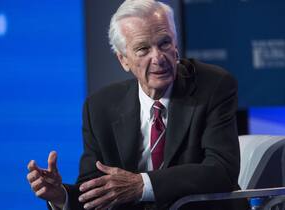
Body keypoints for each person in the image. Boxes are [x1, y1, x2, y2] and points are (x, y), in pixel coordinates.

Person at [27, 0, 248, 209]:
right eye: (143, 49)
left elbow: (221, 171)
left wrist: (142, 185)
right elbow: (95, 191)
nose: (158, 58)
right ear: (123, 60)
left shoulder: (213, 86)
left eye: (164, 43)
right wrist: (60, 196)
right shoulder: (100, 107)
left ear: (176, 45)